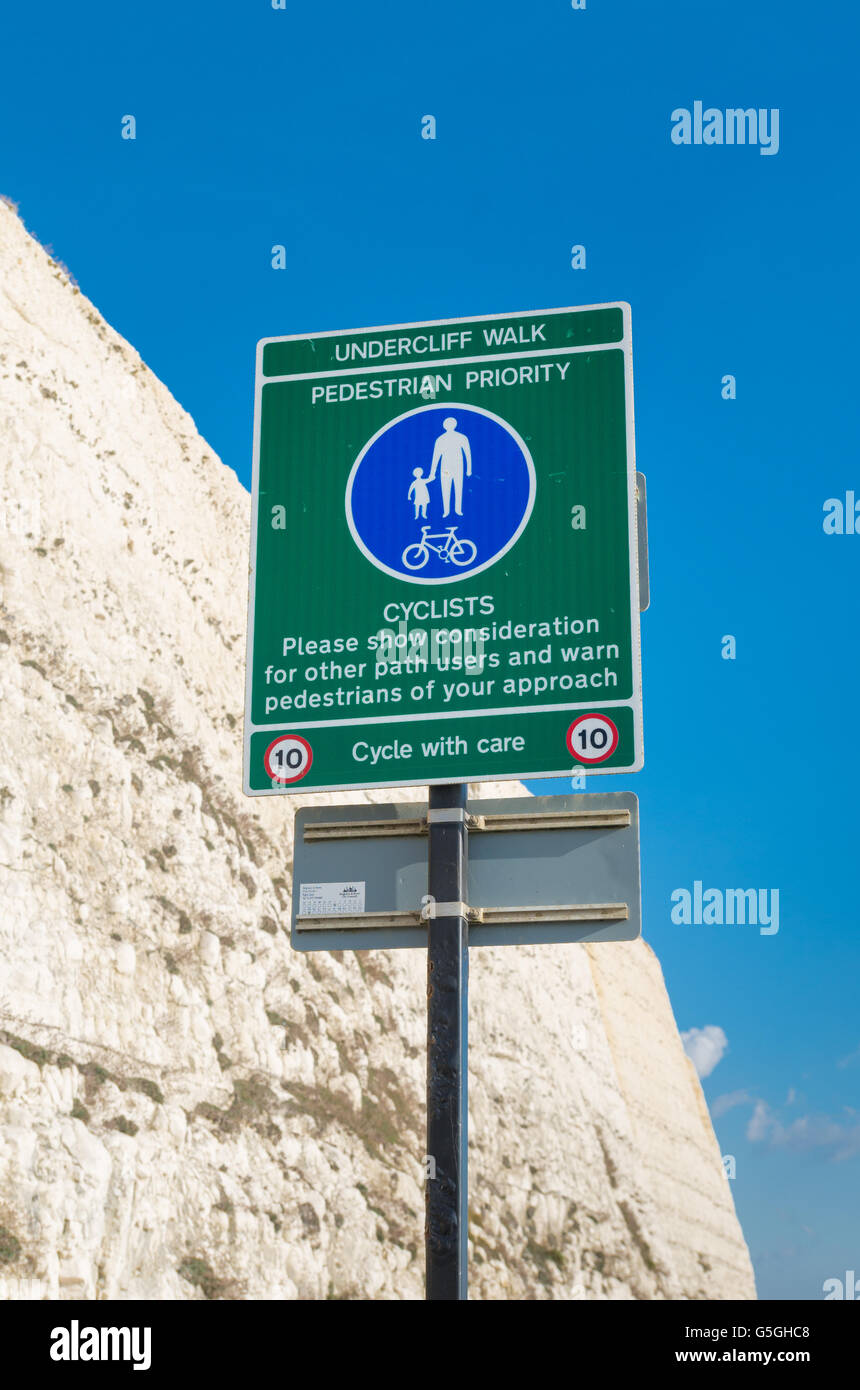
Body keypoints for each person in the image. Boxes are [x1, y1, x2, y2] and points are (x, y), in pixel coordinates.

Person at [428, 417, 471, 517]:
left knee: (458, 487)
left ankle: (458, 510)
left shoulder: (462, 437)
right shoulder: (440, 439)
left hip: (458, 467)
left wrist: (469, 469)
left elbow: (468, 454)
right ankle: (446, 511)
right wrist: (432, 473)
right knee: (445, 487)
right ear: (445, 426)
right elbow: (436, 457)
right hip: (445, 468)